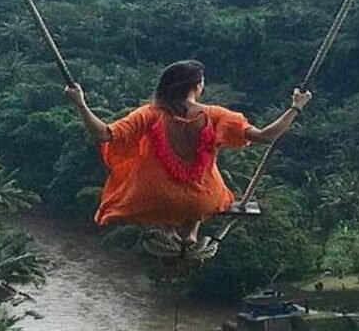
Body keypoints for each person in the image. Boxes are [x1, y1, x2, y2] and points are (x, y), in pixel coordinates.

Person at [65, 60, 312, 252]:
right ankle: (192, 231)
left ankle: (167, 230)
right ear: (197, 86)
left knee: (158, 191)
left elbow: (103, 134)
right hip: (201, 200)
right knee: (212, 190)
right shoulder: (215, 115)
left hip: (153, 197)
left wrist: (80, 103)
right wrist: (296, 107)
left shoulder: (149, 114)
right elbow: (266, 136)